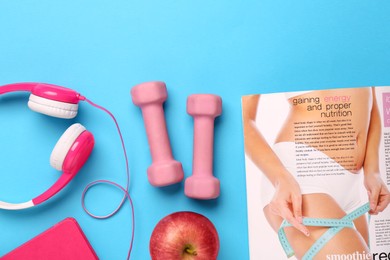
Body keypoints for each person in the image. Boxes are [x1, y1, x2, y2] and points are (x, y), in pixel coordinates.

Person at [242, 87, 390, 259]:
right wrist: (280, 179)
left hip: (353, 187)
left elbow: (371, 107)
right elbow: (243, 118)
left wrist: (373, 171)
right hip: (298, 179)